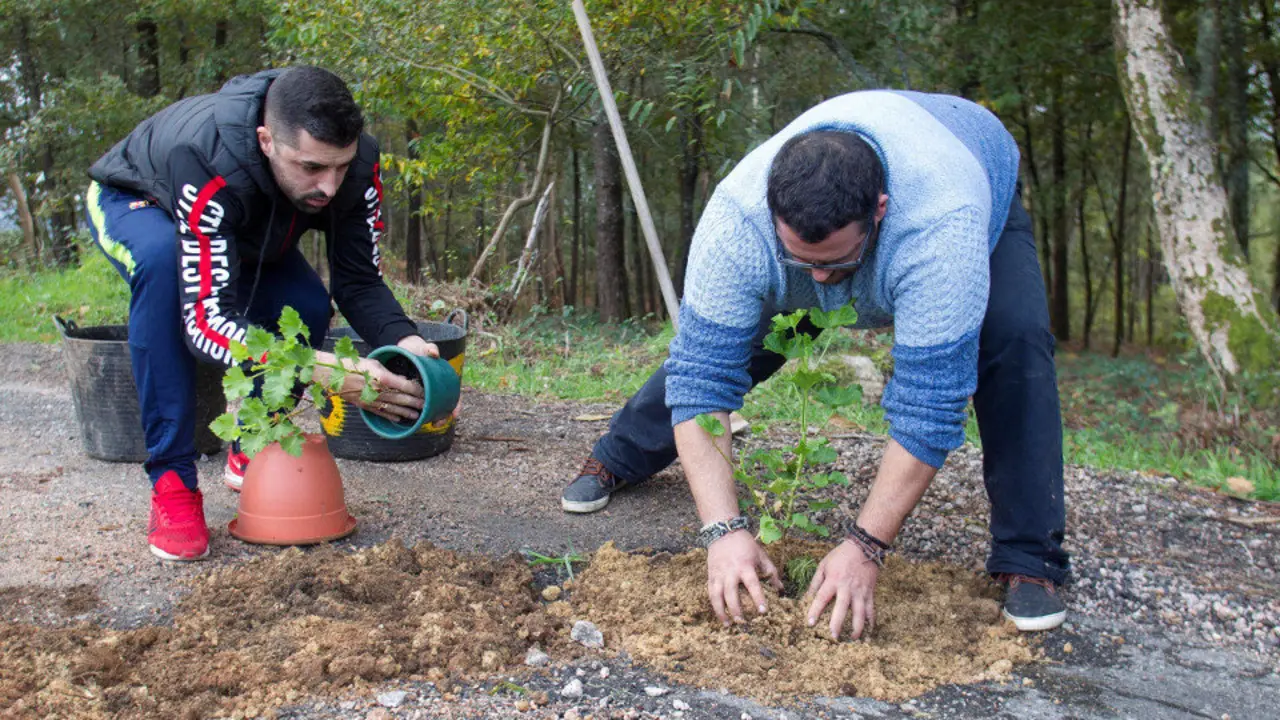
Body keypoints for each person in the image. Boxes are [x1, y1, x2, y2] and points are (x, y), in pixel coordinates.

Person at [561, 90, 1070, 635]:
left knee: (1015, 345)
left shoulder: (941, 227)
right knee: (734, 344)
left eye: (834, 262)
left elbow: (930, 404)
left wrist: (866, 545)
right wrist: (722, 530)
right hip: (834, 220)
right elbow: (701, 378)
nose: (819, 280)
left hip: (973, 171)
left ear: (879, 209)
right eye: (801, 262)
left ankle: (1029, 559)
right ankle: (616, 456)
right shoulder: (737, 223)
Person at [85, 66, 439, 562]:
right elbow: (207, 324)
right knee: (167, 276)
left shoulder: (357, 164)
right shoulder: (204, 155)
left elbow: (358, 281)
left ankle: (255, 438)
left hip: (247, 220)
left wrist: (410, 347)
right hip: (144, 201)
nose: (330, 187)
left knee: (308, 303)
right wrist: (325, 370)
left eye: (340, 166)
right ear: (266, 140)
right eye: (312, 167)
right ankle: (172, 482)